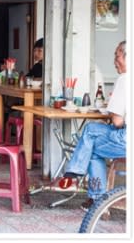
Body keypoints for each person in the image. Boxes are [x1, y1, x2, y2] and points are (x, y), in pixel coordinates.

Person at [60, 40, 126, 211]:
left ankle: (79, 177)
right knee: (91, 145)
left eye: (117, 55)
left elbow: (117, 122)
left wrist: (112, 108)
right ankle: (92, 195)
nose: (114, 60)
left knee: (90, 135)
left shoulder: (125, 79)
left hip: (125, 139)